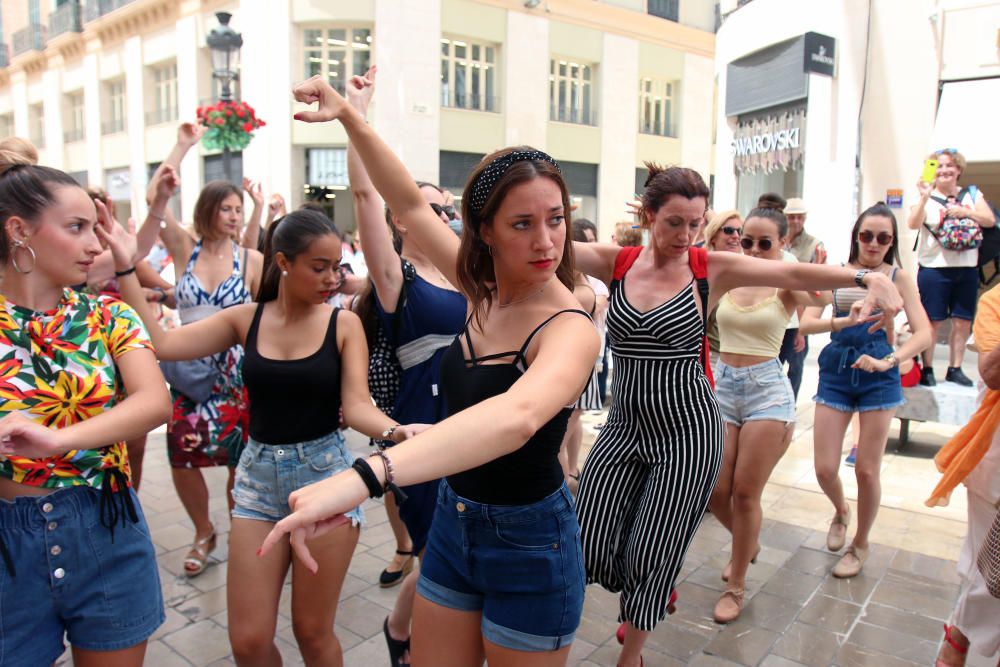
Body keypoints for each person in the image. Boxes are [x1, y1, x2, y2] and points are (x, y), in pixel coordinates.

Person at [260, 75, 600, 667]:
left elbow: (516, 418)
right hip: (452, 521)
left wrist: (363, 476)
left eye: (556, 218)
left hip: (530, 541)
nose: (546, 240)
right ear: (484, 230)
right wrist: (350, 118)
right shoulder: (484, 288)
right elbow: (410, 206)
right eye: (523, 224)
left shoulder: (571, 328)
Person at [571, 169, 903, 667]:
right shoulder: (614, 262)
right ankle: (651, 586)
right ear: (647, 216)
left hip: (689, 429)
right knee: (590, 543)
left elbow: (792, 276)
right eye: (673, 223)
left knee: (652, 551)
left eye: (694, 223)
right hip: (624, 426)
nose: (684, 236)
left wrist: (865, 276)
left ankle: (632, 653)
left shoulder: (710, 267)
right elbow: (540, 241)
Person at [0, 155, 171, 666]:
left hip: (106, 523)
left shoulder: (106, 314)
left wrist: (58, 439)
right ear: (19, 230)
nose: (96, 244)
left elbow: (154, 401)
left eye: (95, 228)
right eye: (77, 227)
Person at [344, 67, 466, 666]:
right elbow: (367, 194)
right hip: (422, 424)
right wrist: (355, 119)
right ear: (404, 218)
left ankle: (408, 630)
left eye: (448, 212)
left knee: (451, 546)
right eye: (435, 211)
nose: (445, 220)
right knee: (436, 545)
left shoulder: (469, 274)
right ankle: (407, 636)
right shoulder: (398, 280)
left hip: (475, 422)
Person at [145, 127, 265, 577]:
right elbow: (154, 198)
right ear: (208, 209)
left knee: (239, 456)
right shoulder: (183, 247)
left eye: (239, 209)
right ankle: (202, 531)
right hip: (186, 368)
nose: (233, 216)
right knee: (182, 453)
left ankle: (240, 530)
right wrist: (182, 145)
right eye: (226, 207)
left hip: (236, 372)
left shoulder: (249, 259)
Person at [707, 206, 828, 622]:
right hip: (722, 387)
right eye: (747, 241)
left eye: (765, 243)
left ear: (781, 244)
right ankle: (747, 542)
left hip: (766, 393)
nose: (754, 250)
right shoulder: (728, 277)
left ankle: (735, 585)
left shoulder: (785, 284)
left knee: (744, 493)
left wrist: (804, 270)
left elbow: (824, 298)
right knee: (714, 491)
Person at [800, 203, 931, 579]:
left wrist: (890, 360)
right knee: (825, 468)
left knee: (868, 471)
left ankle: (861, 544)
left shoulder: (898, 276)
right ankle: (841, 509)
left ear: (891, 242)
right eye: (867, 235)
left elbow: (923, 332)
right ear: (856, 236)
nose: (874, 243)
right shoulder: (838, 272)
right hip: (838, 366)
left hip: (879, 370)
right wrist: (845, 318)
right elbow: (806, 325)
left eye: (883, 237)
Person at [929, 283, 1000, 666]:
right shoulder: (996, 301)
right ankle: (956, 640)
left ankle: (957, 637)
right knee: (988, 566)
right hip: (995, 460)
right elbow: (992, 371)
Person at [907, 148, 996, 387]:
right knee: (931, 321)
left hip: (967, 267)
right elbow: (912, 223)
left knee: (962, 320)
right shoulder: (925, 195)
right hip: (934, 268)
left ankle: (954, 368)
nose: (945, 170)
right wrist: (924, 196)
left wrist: (965, 211)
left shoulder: (972, 194)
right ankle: (927, 368)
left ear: (958, 169)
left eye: (950, 166)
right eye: (939, 166)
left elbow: (989, 220)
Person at [782, 197, 827, 398]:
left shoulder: (814, 244)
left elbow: (817, 282)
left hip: (799, 313)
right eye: (792, 217)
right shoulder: (777, 240)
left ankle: (791, 403)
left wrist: (804, 323)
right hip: (778, 310)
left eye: (800, 217)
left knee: (796, 364)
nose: (796, 221)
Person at [702, 210, 743, 368]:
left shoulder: (749, 270)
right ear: (713, 237)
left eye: (740, 231)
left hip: (748, 360)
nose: (736, 236)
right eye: (728, 230)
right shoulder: (703, 270)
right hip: (714, 358)